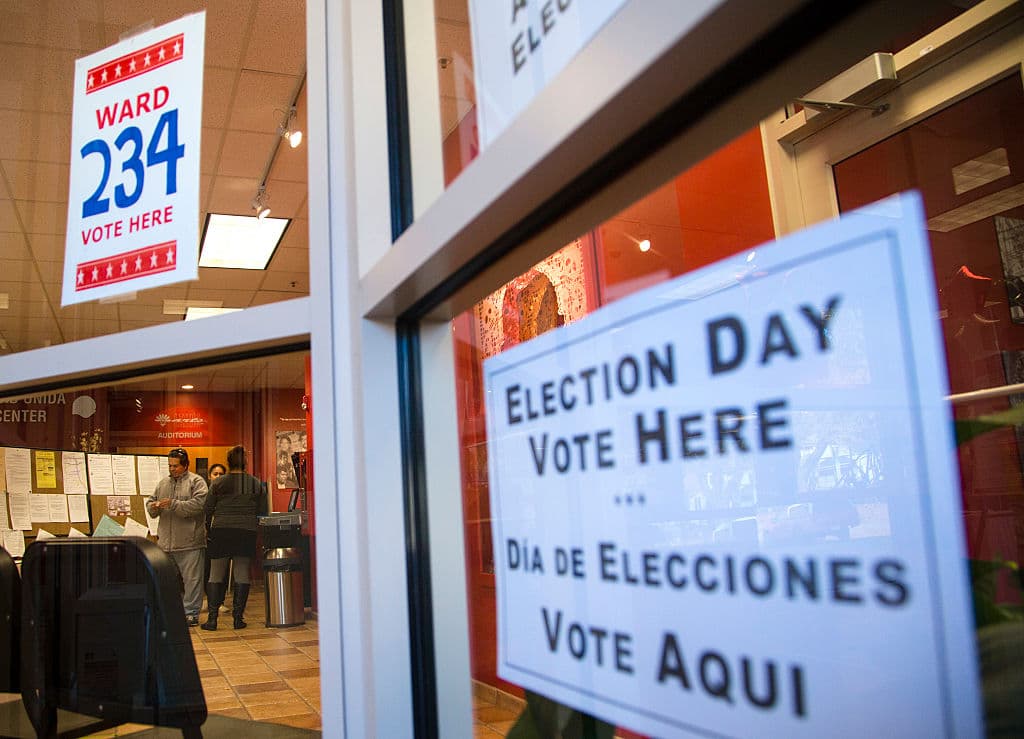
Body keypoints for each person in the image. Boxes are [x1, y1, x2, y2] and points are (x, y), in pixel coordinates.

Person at [202, 445, 267, 630]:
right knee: (241, 573)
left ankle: (212, 619)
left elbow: (207, 509)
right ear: (245, 462)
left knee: (216, 573)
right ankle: (238, 619)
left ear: (228, 462)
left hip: (221, 530)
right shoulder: (255, 483)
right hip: (246, 531)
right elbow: (262, 511)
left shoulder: (218, 483)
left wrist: (209, 529)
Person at [146, 448, 209, 627]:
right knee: (165, 580)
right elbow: (150, 503)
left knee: (192, 581)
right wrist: (154, 507)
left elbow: (199, 505)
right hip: (165, 542)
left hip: (190, 542)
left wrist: (174, 504)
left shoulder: (197, 482)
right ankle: (170, 611)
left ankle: (191, 614)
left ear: (186, 465)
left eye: (175, 466)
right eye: (170, 466)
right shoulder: (162, 483)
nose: (172, 469)